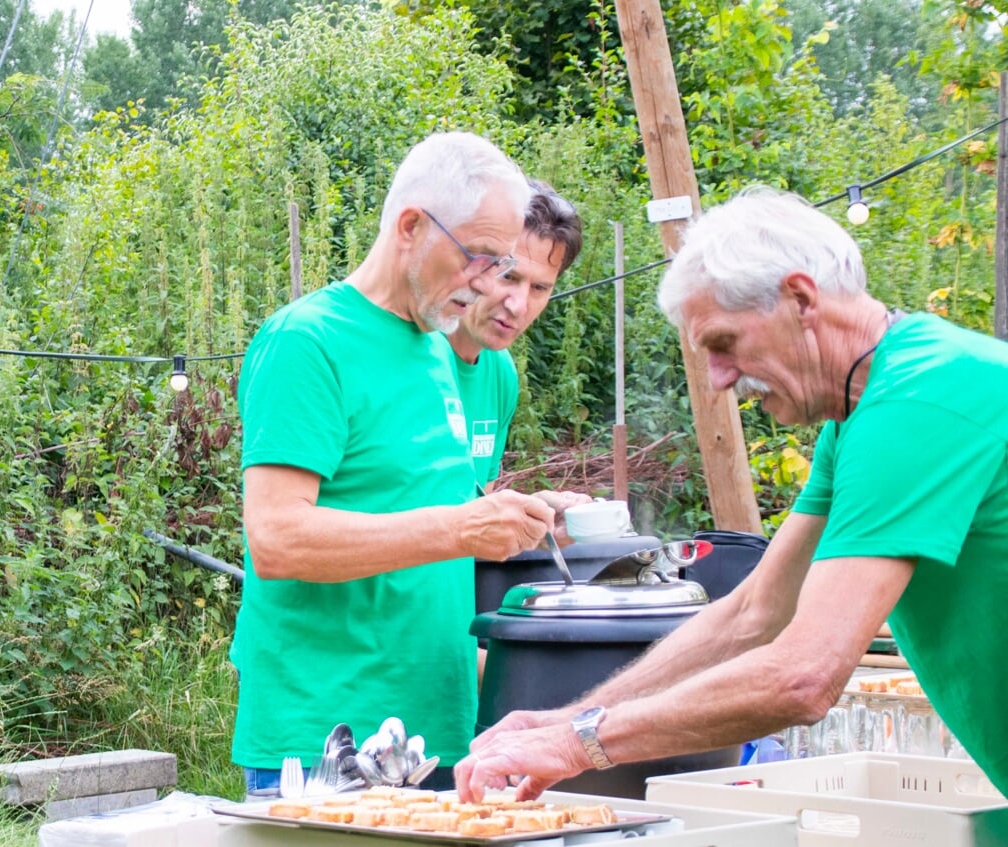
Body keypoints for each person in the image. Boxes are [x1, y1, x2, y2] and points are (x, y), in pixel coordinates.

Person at [455, 187, 1008, 801]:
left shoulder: (919, 402)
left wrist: (578, 744)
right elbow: (755, 614)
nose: (718, 379)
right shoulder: (862, 409)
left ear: (800, 298)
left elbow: (803, 675)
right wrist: (567, 719)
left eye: (723, 343)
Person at [232, 132, 560, 795]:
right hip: (327, 744)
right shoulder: (308, 341)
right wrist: (462, 528)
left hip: (438, 737)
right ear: (410, 225)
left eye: (501, 262)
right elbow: (276, 538)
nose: (492, 285)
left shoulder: (440, 351)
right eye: (480, 258)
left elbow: (420, 539)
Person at [442, 181, 586, 494]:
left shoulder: (501, 371)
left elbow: (478, 506)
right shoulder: (409, 357)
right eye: (509, 276)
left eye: (539, 288)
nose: (519, 306)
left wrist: (536, 522)